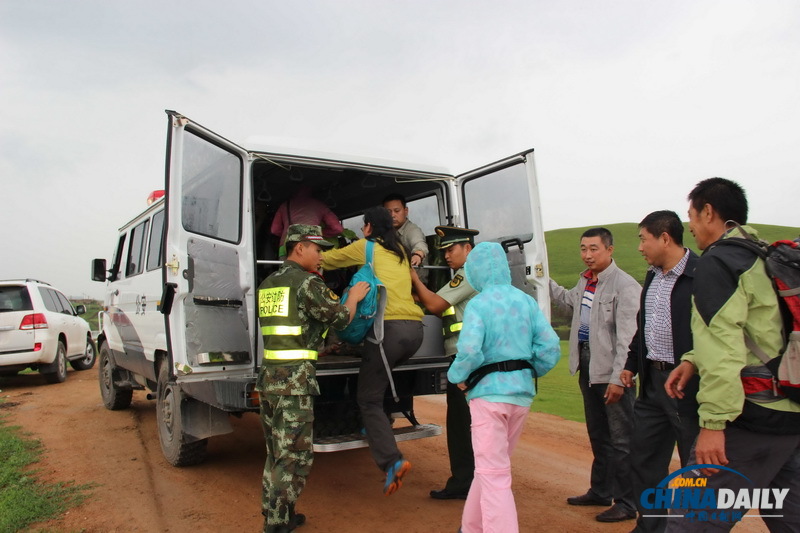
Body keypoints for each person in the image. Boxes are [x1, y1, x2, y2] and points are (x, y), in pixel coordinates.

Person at [665, 177, 800, 532]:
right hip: (792, 412)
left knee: (691, 521)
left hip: (751, 418)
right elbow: (762, 331)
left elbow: (723, 349)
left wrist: (713, 424)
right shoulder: (766, 255)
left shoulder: (718, 262)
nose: (690, 227)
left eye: (691, 216)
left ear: (708, 212)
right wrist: (693, 359)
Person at [257, 224, 369, 533]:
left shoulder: (269, 283)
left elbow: (290, 329)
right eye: (317, 249)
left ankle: (275, 512)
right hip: (294, 382)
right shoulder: (307, 283)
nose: (322, 255)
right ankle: (278, 524)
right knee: (294, 456)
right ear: (299, 248)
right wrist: (354, 296)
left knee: (276, 452)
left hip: (269, 379)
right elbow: (341, 317)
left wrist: (318, 347)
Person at [449, 241, 561, 533]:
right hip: (521, 397)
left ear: (476, 270)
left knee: (494, 473)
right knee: (491, 469)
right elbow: (550, 348)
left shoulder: (478, 304)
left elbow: (470, 350)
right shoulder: (525, 301)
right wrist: (525, 371)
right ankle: (470, 527)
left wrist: (456, 376)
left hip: (488, 398)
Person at [320, 206, 424, 495]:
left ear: (367, 227)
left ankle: (392, 461)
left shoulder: (366, 247)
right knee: (380, 379)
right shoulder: (401, 251)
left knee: (367, 398)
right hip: (414, 331)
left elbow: (328, 260)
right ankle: (374, 430)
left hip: (388, 331)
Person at [550, 227, 641, 523]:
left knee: (622, 439)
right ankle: (600, 490)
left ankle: (627, 502)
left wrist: (618, 379)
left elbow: (628, 338)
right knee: (599, 433)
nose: (587, 255)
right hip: (587, 365)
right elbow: (567, 302)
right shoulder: (585, 281)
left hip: (613, 371)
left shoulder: (625, 286)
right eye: (583, 249)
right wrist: (541, 279)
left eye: (594, 249)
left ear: (610, 249)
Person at [620, 211, 700, 533]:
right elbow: (646, 326)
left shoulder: (701, 275)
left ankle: (694, 528)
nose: (640, 247)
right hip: (652, 383)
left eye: (643, 239)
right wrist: (630, 363)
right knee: (645, 460)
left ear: (664, 238)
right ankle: (650, 527)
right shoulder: (652, 276)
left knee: (695, 468)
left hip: (687, 385)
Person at [409, 225, 480, 500]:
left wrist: (413, 278)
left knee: (463, 425)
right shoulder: (463, 277)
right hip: (463, 357)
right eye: (444, 251)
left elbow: (436, 305)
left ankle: (464, 483)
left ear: (468, 249)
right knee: (466, 423)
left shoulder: (468, 276)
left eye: (451, 249)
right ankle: (469, 482)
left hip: (465, 360)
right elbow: (433, 301)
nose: (447, 256)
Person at [271, 185, 345, 256]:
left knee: (287, 268)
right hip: (312, 245)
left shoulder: (284, 205)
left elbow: (274, 230)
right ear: (310, 191)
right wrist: (318, 232)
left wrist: (290, 234)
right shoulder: (320, 205)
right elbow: (337, 228)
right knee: (313, 268)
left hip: (287, 246)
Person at [382, 193, 429, 268]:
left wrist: (418, 255)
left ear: (406, 211)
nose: (392, 215)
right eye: (388, 212)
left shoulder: (412, 230)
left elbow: (419, 244)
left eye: (397, 211)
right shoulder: (385, 233)